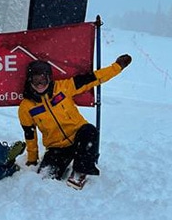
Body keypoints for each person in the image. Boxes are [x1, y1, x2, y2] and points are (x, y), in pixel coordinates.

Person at [18, 54, 133, 189]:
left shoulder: (64, 87)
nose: (39, 84)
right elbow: (30, 135)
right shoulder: (26, 107)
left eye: (43, 79)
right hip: (57, 147)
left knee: (90, 131)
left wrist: (117, 67)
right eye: (35, 80)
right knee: (45, 179)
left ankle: (80, 170)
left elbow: (95, 78)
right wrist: (32, 159)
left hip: (78, 137)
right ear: (29, 81)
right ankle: (60, 165)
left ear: (49, 78)